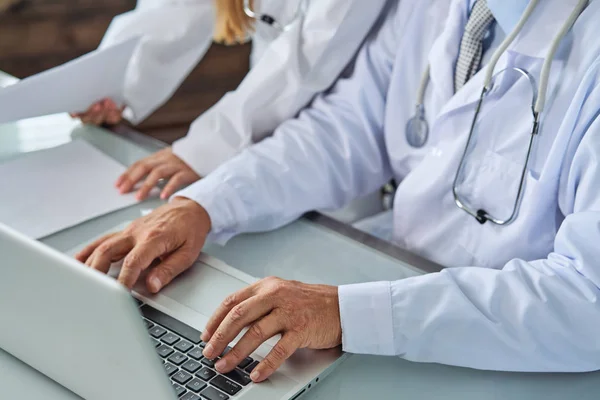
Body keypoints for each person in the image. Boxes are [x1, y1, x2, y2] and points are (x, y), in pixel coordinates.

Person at [76, 0, 600, 384]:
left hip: (525, 360)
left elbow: (588, 302)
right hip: (397, 285)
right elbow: (348, 126)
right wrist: (208, 204)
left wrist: (349, 314)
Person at [71, 0, 388, 201]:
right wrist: (111, 82)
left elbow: (310, 59)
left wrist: (208, 148)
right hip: (267, 119)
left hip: (343, 132)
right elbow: (177, 7)